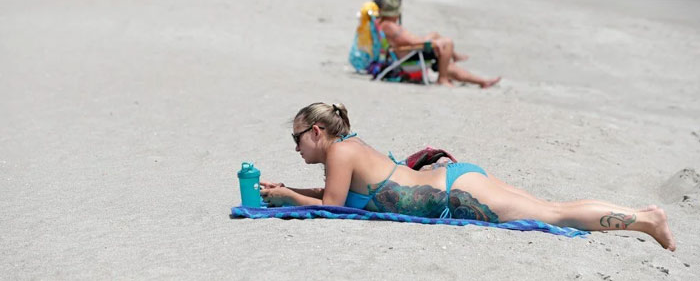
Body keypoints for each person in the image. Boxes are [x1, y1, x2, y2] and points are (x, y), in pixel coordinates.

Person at [259, 102, 677, 251]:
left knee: (555, 215)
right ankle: (640, 216)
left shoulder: (338, 152)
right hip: (456, 181)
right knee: (552, 208)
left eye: (297, 138)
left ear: (316, 132)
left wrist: (291, 199)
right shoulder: (350, 146)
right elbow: (338, 195)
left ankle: (645, 220)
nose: (296, 147)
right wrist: (287, 190)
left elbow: (332, 207)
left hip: (453, 194)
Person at [376, 0, 500, 88]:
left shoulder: (385, 24)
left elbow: (408, 41)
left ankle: (482, 81)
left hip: (409, 53)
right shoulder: (390, 26)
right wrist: (433, 43)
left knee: (442, 53)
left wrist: (433, 41)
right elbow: (412, 41)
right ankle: (442, 78)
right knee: (447, 42)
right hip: (409, 60)